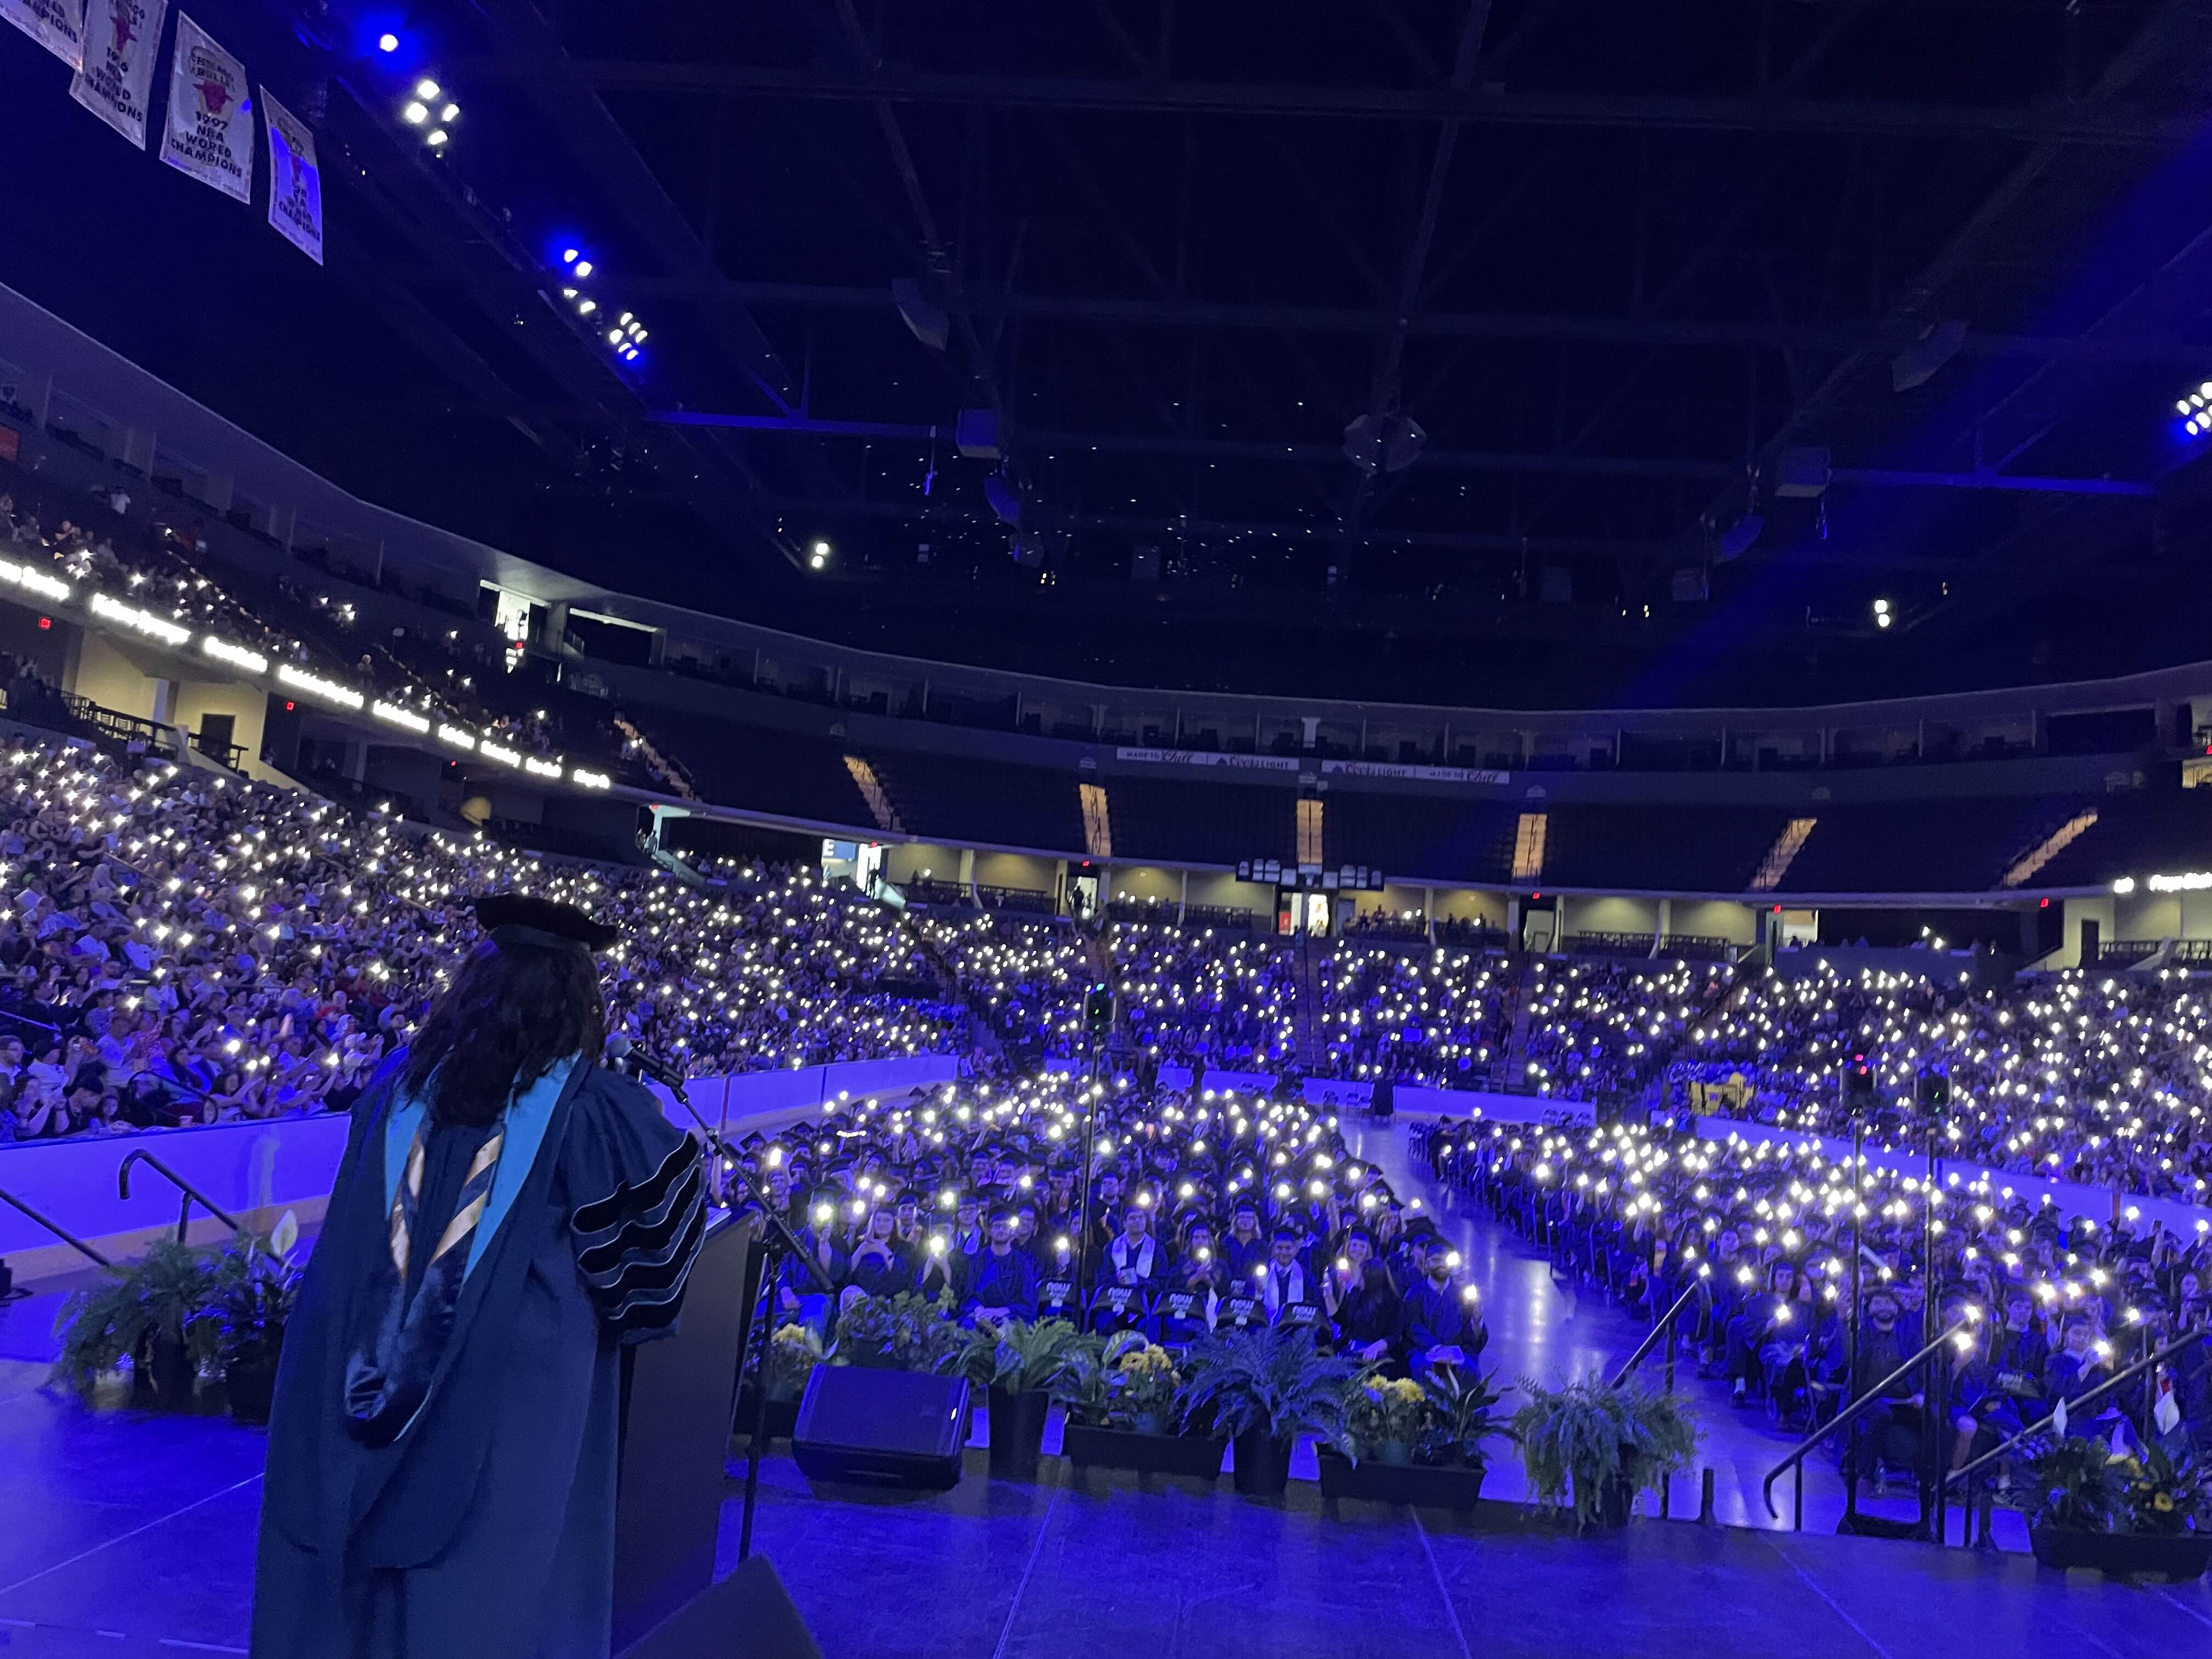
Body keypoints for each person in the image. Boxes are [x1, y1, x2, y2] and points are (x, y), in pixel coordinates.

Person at [252, 895, 708, 1659]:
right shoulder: (597, 1111)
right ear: (578, 1005)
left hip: (349, 1369)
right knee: (485, 1588)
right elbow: (647, 1273)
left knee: (349, 1569)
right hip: (509, 1399)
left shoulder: (397, 1089)